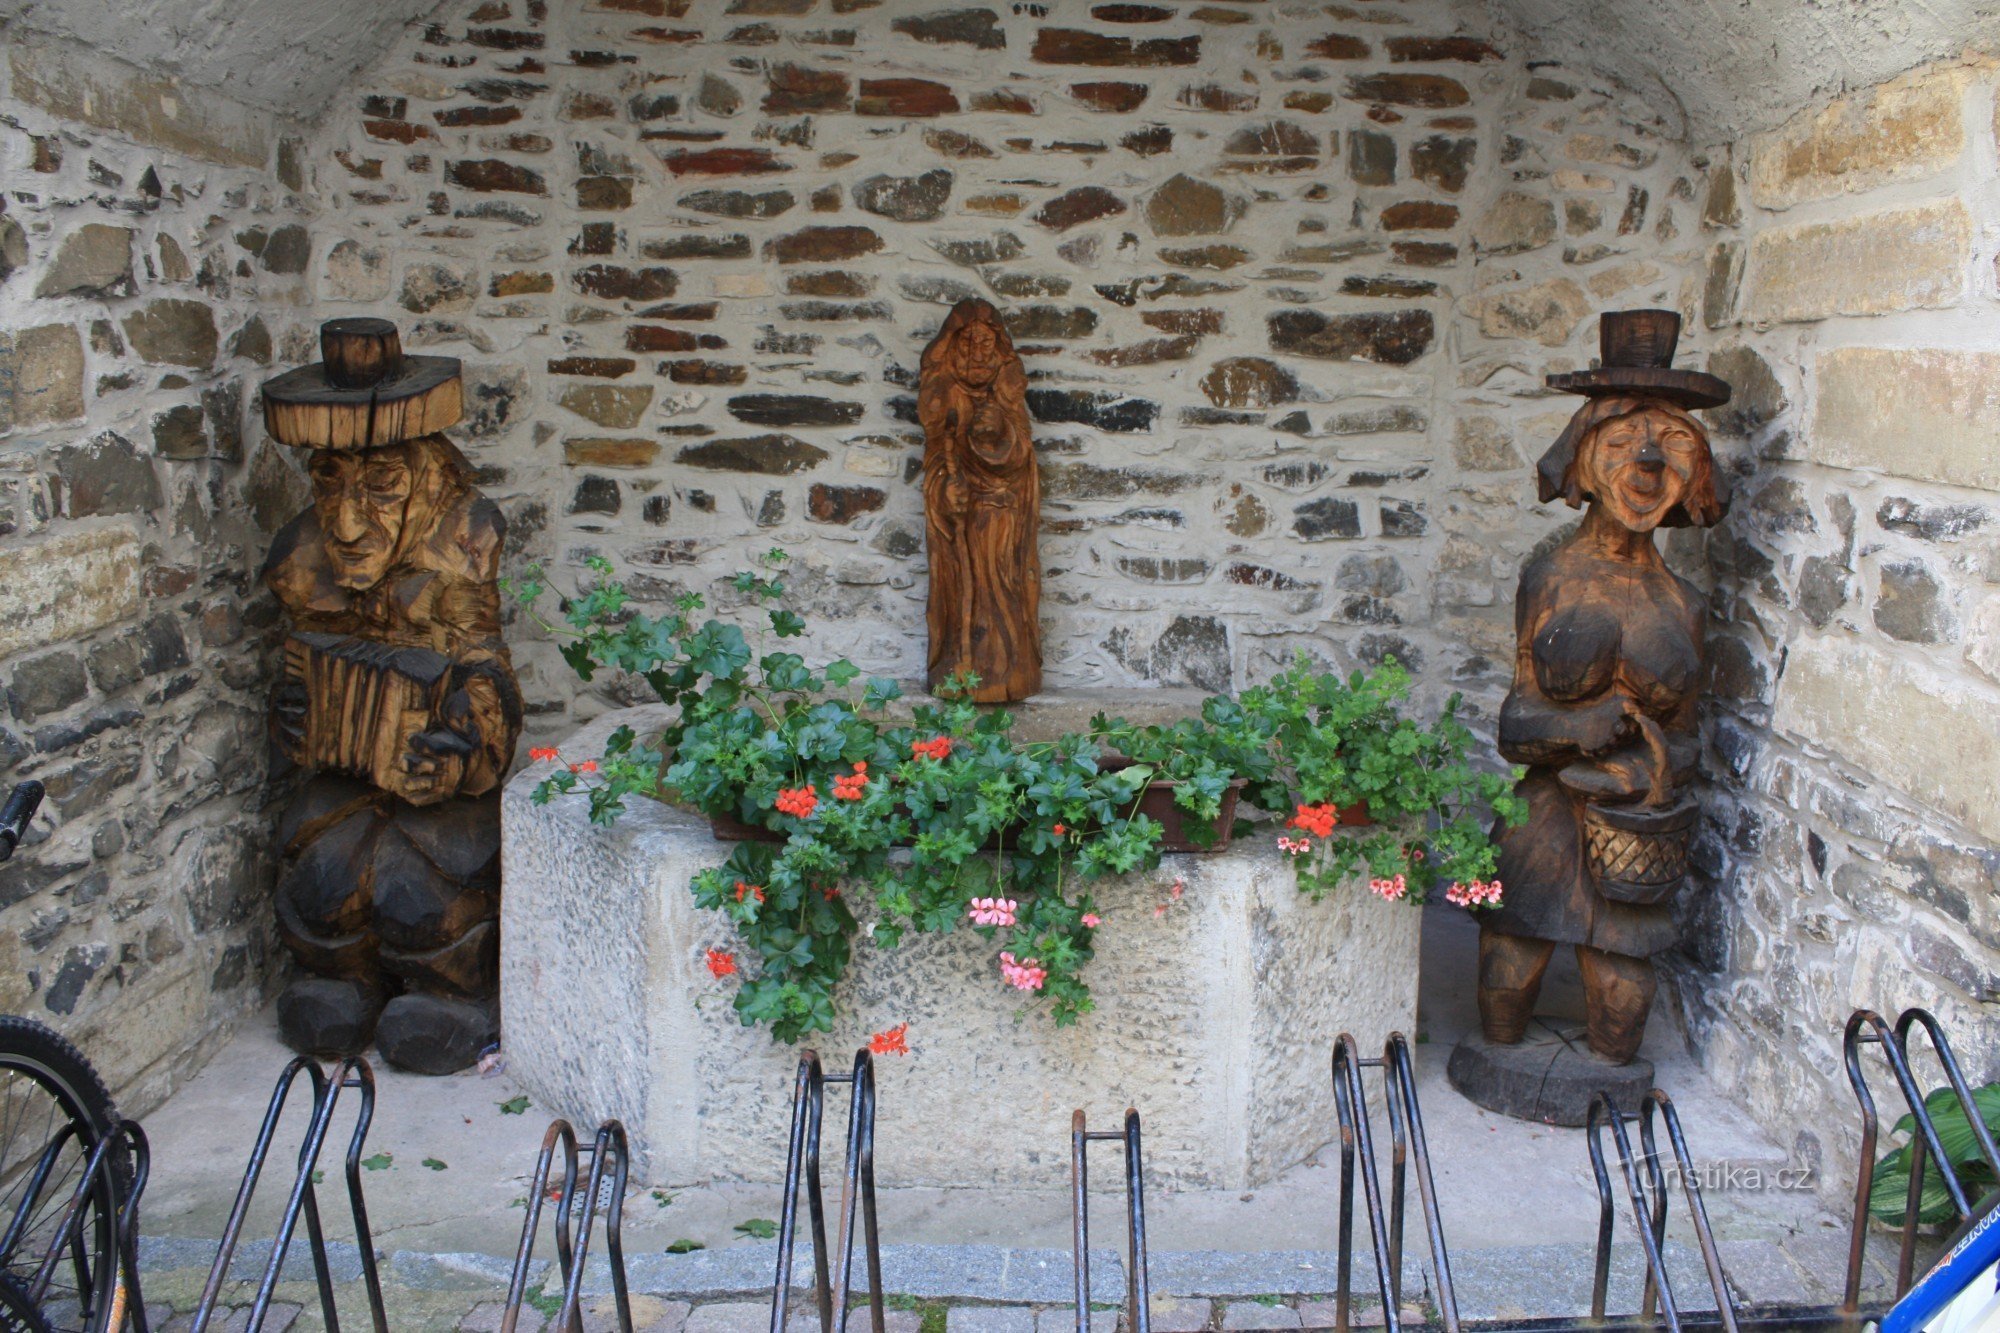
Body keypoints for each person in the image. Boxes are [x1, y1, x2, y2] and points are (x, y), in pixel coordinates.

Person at [1479, 309, 1730, 1065]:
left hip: (1633, 830)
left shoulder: (1683, 604)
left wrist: (1648, 765)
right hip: (1548, 821)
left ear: (1696, 472)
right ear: (1584, 460)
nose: (1647, 464)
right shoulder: (1550, 577)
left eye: (1673, 444)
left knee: (1624, 1008)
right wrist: (1576, 729)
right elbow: (1513, 722)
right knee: (1504, 983)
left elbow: (1684, 735)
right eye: (1621, 443)